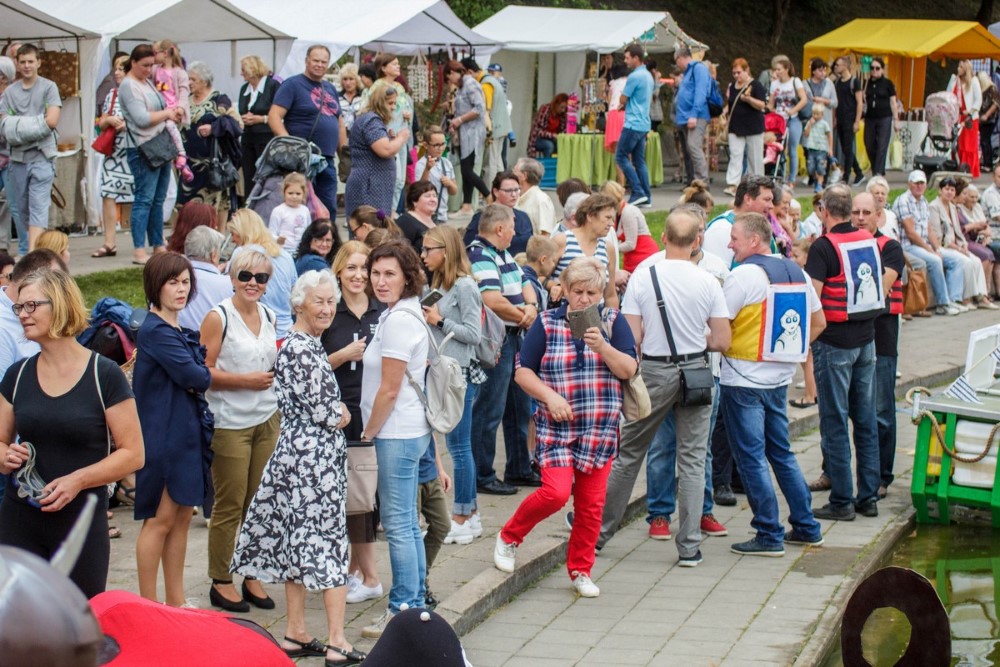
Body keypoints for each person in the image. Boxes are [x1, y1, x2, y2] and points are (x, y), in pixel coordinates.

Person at [232, 269, 365, 666]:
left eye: (331, 301)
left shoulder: (299, 344)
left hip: (297, 456)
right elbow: (328, 413)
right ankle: (337, 641)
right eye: (318, 301)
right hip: (314, 463)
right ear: (299, 305)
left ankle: (295, 632)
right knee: (329, 543)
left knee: (297, 543)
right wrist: (342, 412)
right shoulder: (303, 349)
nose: (326, 308)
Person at [494, 257, 637, 596]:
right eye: (577, 291)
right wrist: (549, 396)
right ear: (566, 291)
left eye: (591, 293)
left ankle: (581, 570)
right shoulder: (546, 322)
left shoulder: (613, 322)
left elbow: (629, 368)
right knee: (555, 493)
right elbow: (523, 372)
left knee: (591, 506)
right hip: (557, 429)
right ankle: (509, 536)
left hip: (599, 430)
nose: (584, 299)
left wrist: (603, 346)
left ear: (601, 293)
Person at [597, 207, 731, 567]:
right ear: (697, 240)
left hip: (655, 371)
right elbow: (722, 340)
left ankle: (598, 534)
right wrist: (696, 338)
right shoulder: (708, 281)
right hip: (697, 371)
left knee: (630, 453)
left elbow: (632, 337)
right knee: (692, 460)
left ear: (663, 238)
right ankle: (689, 546)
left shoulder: (644, 276)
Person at [0, 268, 143, 598]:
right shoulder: (17, 375)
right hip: (20, 520)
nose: (22, 314)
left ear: (61, 304)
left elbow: (133, 454)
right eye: (19, 307)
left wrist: (78, 480)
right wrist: (5, 455)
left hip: (80, 524)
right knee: (19, 621)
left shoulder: (103, 374)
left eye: (32, 305)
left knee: (77, 620)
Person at [720, 212, 825, 556]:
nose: (729, 244)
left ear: (754, 240)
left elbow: (720, 325)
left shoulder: (743, 276)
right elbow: (819, 322)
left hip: (743, 379)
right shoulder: (797, 271)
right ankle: (807, 526)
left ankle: (768, 532)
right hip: (779, 379)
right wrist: (792, 351)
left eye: (734, 238)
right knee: (781, 453)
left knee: (751, 458)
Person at [629, 204, 730, 542]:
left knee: (699, 450)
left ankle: (702, 511)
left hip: (702, 371)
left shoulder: (716, 269)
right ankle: (661, 514)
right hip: (677, 367)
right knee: (663, 444)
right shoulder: (649, 268)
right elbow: (722, 335)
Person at [360, 241, 432, 639]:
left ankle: (402, 608)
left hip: (396, 432)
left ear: (407, 277)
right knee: (406, 521)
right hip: (407, 430)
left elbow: (389, 389)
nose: (380, 281)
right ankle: (414, 602)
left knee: (399, 523)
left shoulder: (400, 320)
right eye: (375, 273)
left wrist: (368, 432)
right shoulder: (401, 313)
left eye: (390, 274)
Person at [200, 250, 279, 613]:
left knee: (259, 503)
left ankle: (252, 573)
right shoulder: (219, 317)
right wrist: (244, 381)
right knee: (230, 504)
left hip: (266, 419)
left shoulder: (268, 314)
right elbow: (203, 371)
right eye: (245, 275)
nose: (253, 283)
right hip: (230, 422)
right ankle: (220, 579)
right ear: (232, 277)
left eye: (261, 277)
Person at [133, 252, 213, 607]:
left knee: (181, 518)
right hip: (162, 438)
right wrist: (200, 374)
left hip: (186, 436)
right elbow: (197, 376)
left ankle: (176, 602)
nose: (181, 289)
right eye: (172, 283)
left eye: (185, 282)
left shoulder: (175, 329)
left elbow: (197, 377)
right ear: (156, 286)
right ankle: (149, 606)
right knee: (159, 520)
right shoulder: (156, 331)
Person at [805, 184, 882, 521]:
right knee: (865, 420)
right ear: (850, 211)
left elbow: (813, 298)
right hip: (866, 340)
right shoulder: (867, 239)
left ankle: (841, 501)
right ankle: (868, 497)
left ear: (824, 210)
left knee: (834, 421)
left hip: (834, 343)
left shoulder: (823, 247)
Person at [319, 242, 383, 606]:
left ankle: (361, 572)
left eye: (364, 269)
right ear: (339, 271)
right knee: (346, 497)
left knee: (366, 497)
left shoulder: (381, 311)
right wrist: (342, 356)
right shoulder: (331, 311)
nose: (358, 276)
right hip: (338, 414)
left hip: (373, 414)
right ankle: (352, 570)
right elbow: (311, 366)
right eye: (351, 268)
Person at [419, 225, 484, 546]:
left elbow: (474, 334)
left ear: (445, 252)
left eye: (428, 249)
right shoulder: (436, 285)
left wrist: (440, 321)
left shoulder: (465, 286)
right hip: (441, 373)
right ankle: (470, 514)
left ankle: (461, 517)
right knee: (459, 445)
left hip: (459, 374)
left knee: (459, 447)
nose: (423, 255)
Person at [468, 204, 538, 496]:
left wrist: (531, 305)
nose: (515, 232)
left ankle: (519, 467)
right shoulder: (480, 255)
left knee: (519, 406)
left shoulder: (503, 253)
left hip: (515, 335)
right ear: (499, 229)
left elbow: (525, 282)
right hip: (497, 339)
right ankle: (481, 474)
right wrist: (524, 315)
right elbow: (492, 300)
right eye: (512, 226)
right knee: (490, 408)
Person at [851, 192, 905, 498]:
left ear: (878, 214)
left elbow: (878, 291)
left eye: (866, 212)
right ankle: (840, 473)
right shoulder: (845, 245)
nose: (860, 218)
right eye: (856, 212)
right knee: (849, 411)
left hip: (882, 337)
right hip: (851, 338)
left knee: (882, 410)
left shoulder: (890, 247)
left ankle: (882, 476)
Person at [118, 44, 185, 265]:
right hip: (141, 148)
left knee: (158, 199)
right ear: (133, 63)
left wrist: (171, 112)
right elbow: (141, 119)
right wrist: (167, 113)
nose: (149, 70)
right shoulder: (128, 86)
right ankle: (139, 249)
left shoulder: (145, 81)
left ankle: (158, 244)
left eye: (151, 65)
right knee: (144, 199)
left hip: (159, 144)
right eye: (145, 65)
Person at [268, 45, 345, 218]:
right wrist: (289, 144)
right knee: (300, 207)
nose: (320, 65)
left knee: (328, 208)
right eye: (316, 60)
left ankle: (326, 235)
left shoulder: (330, 88)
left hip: (327, 159)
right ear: (306, 61)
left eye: (324, 62)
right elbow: (274, 116)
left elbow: (339, 122)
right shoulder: (292, 84)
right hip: (302, 159)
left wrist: (344, 151)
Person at [0, 44, 61, 253]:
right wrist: (37, 123)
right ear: (17, 64)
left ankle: (33, 255)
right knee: (21, 209)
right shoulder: (10, 92)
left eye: (30, 61)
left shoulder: (49, 87)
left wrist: (18, 127)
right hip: (17, 160)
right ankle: (35, 250)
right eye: (23, 62)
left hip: (42, 157)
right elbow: (4, 126)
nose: (27, 66)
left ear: (38, 63)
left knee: (38, 207)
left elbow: (52, 121)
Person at [893, 169, 965, 315]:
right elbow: (911, 233)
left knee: (957, 260)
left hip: (923, 245)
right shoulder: (903, 201)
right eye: (916, 183)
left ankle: (953, 299)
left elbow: (929, 229)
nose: (919, 186)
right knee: (935, 261)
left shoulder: (923, 201)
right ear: (909, 184)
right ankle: (942, 304)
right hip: (909, 246)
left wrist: (937, 248)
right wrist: (931, 250)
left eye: (922, 183)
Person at [176, 61, 242, 219]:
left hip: (212, 163)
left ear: (205, 81)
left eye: (193, 79)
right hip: (188, 164)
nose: (189, 83)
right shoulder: (185, 101)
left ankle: (216, 234)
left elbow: (238, 124)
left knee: (215, 203)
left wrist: (213, 128)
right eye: (188, 79)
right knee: (186, 204)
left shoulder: (219, 100)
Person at [227, 209, 296, 341]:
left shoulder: (241, 253)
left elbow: (230, 291)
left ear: (243, 232)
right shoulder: (286, 256)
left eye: (233, 233)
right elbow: (294, 294)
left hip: (255, 334)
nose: (232, 239)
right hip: (286, 333)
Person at [928, 177, 994, 310]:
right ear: (940, 190)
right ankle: (961, 299)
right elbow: (939, 236)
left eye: (952, 190)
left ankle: (981, 296)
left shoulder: (952, 207)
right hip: (943, 246)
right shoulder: (934, 207)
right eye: (946, 189)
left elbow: (958, 232)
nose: (949, 192)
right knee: (965, 261)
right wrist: (957, 248)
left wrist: (962, 244)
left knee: (976, 260)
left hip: (955, 245)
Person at [344, 84, 408, 219]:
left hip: (373, 185)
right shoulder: (371, 121)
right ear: (379, 102)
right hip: (369, 187)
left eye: (394, 103)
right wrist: (401, 137)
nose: (393, 107)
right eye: (390, 103)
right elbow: (385, 150)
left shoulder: (371, 120)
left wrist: (391, 139)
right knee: (370, 226)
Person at [92, 54, 133, 260]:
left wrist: (128, 124)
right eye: (115, 68)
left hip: (135, 152)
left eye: (121, 68)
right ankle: (109, 242)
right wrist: (109, 121)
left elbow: (148, 121)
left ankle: (145, 243)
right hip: (114, 152)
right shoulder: (112, 94)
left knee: (142, 198)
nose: (117, 72)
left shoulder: (140, 93)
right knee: (107, 193)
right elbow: (101, 122)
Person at [551, 194, 620, 308]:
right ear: (590, 216)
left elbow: (610, 295)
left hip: (596, 315)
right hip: (563, 314)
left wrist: (612, 317)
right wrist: (556, 286)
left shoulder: (608, 248)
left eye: (612, 219)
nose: (612, 224)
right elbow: (540, 276)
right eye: (607, 218)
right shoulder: (562, 241)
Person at [367, 54, 414, 213]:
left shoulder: (399, 87)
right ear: (383, 68)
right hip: (387, 138)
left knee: (400, 181)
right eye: (394, 64)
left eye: (398, 64)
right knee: (393, 178)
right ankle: (386, 212)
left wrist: (408, 115)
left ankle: (392, 212)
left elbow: (404, 109)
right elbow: (371, 110)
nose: (398, 66)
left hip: (401, 136)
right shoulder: (377, 87)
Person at [444, 61, 489, 216]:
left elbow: (479, 108)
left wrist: (460, 120)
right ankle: (467, 206)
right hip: (465, 133)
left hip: (473, 133)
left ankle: (489, 195)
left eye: (448, 78)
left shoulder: (470, 84)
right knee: (465, 169)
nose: (449, 82)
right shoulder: (462, 87)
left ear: (452, 72)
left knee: (467, 170)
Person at [702, 174, 777, 266]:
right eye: (767, 200)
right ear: (748, 199)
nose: (771, 206)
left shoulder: (762, 227)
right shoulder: (721, 230)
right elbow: (716, 272)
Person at [464, 59, 512, 189]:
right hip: (502, 127)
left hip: (494, 128)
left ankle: (490, 193)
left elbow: (485, 110)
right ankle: (503, 189)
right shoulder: (491, 80)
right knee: (497, 162)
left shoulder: (486, 85)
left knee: (490, 164)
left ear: (470, 72)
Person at [617, 43, 655, 206]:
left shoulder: (634, 76)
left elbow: (623, 98)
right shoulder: (648, 76)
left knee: (620, 156)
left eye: (627, 58)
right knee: (639, 161)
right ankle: (646, 196)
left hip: (632, 123)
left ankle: (638, 191)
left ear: (636, 58)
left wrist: (622, 100)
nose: (625, 61)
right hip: (644, 123)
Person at [724, 58, 767, 196]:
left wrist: (748, 99)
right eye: (734, 73)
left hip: (753, 126)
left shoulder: (756, 85)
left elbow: (762, 105)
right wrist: (725, 114)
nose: (736, 76)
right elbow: (731, 104)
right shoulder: (732, 86)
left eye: (739, 72)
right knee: (735, 155)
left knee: (755, 157)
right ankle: (733, 184)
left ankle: (757, 184)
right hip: (735, 126)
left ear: (746, 70)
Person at [462, 171, 533, 255]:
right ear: (496, 192)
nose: (514, 194)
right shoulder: (483, 217)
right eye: (508, 190)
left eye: (516, 190)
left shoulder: (523, 217)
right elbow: (467, 248)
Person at [238, 55, 279, 193]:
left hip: (266, 139)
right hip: (248, 139)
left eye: (243, 70)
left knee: (266, 178)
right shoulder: (244, 88)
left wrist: (261, 119)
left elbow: (281, 114)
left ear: (252, 69)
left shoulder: (273, 86)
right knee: (249, 178)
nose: (241, 73)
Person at [179, 225, 230, 331]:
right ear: (213, 256)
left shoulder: (169, 278)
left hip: (172, 337)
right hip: (212, 339)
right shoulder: (229, 285)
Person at [600, 180, 658, 272]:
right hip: (632, 258)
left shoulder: (628, 212)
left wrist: (606, 248)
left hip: (644, 257)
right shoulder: (618, 212)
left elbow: (631, 244)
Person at [767, 56, 808, 188]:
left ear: (786, 69)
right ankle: (781, 175)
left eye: (779, 69)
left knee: (792, 148)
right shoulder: (774, 84)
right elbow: (771, 103)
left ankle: (791, 179)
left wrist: (793, 110)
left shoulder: (795, 81)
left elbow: (804, 99)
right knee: (780, 148)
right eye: (775, 69)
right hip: (779, 120)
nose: (777, 72)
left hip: (793, 118)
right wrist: (771, 111)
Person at [958, 183, 1000, 295]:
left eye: (976, 197)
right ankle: (982, 292)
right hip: (971, 239)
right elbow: (968, 229)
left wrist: (988, 235)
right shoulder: (960, 209)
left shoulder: (977, 207)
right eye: (971, 197)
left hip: (983, 238)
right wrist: (982, 232)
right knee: (988, 254)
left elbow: (986, 225)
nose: (974, 200)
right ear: (965, 196)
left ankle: (987, 290)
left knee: (991, 255)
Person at [863, 58, 899, 178]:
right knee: (869, 143)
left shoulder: (888, 83)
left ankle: (877, 173)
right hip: (870, 117)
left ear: (882, 70)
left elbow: (893, 102)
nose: (874, 70)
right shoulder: (866, 83)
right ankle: (877, 168)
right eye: (872, 68)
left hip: (884, 117)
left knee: (881, 145)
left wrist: (896, 119)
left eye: (877, 68)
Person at [832, 56, 865, 185]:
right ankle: (859, 172)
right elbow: (836, 102)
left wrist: (857, 121)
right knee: (846, 149)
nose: (836, 67)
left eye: (838, 65)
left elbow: (859, 102)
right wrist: (835, 117)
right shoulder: (837, 82)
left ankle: (847, 176)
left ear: (845, 66)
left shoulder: (854, 82)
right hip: (840, 118)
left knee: (848, 147)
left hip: (850, 119)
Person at [416, 125, 457, 224]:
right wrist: (427, 169)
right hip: (426, 217)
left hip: (442, 216)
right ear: (426, 145)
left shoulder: (447, 163)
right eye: (436, 145)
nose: (441, 148)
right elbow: (418, 191)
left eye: (443, 144)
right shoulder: (421, 164)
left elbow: (454, 191)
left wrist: (450, 183)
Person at [948, 60, 982, 178]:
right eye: (958, 66)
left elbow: (978, 100)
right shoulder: (954, 80)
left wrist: (971, 111)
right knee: (957, 143)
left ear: (966, 69)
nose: (958, 69)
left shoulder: (974, 81)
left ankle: (969, 169)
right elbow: (948, 95)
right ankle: (956, 166)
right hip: (957, 117)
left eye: (961, 67)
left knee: (968, 144)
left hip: (969, 118)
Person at [268, 172, 311, 252]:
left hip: (301, 250)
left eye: (298, 194)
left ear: (303, 194)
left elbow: (309, 231)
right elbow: (271, 233)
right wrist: (278, 239)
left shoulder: (305, 210)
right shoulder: (278, 211)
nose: (294, 196)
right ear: (284, 193)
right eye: (290, 193)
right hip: (283, 250)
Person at [336, 63, 364, 186]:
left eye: (351, 79)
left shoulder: (364, 96)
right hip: (342, 136)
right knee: (346, 167)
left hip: (359, 137)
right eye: (345, 79)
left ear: (357, 80)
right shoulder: (337, 98)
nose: (348, 83)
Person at [0, 56, 17, 257]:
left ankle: (3, 246)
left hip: (10, 158)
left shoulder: (11, 98)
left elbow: (11, 129)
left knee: (7, 202)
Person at [514, 157, 556, 235]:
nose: (512, 174)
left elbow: (545, 235)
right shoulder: (517, 196)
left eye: (515, 171)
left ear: (524, 175)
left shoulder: (541, 200)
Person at [151, 40, 190, 126]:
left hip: (173, 108)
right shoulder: (155, 69)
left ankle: (176, 136)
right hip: (159, 108)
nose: (153, 56)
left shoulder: (179, 72)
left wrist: (181, 107)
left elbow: (184, 91)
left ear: (165, 53)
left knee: (169, 126)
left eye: (155, 53)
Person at [395, 181, 438, 255]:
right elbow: (399, 251)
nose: (432, 199)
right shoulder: (406, 221)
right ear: (414, 201)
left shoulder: (435, 222)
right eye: (427, 196)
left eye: (434, 196)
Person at [802, 103, 833, 193]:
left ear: (822, 115)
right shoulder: (810, 123)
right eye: (813, 113)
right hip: (811, 149)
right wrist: (810, 125)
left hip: (822, 149)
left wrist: (830, 148)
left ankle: (819, 184)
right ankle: (816, 179)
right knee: (810, 168)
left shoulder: (824, 124)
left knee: (821, 168)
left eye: (817, 114)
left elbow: (829, 135)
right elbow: (806, 134)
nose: (815, 116)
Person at [528, 93, 568, 159]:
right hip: (538, 139)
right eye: (561, 107)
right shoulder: (545, 109)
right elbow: (538, 131)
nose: (563, 110)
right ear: (556, 104)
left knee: (563, 145)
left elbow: (563, 130)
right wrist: (553, 135)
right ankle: (547, 164)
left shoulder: (563, 114)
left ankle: (557, 163)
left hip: (553, 139)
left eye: (565, 108)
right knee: (549, 146)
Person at [979, 72, 999, 172]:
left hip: (990, 119)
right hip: (983, 118)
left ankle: (988, 164)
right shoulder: (982, 90)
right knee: (983, 140)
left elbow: (996, 104)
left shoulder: (992, 88)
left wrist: (986, 115)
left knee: (986, 140)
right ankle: (985, 161)